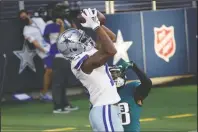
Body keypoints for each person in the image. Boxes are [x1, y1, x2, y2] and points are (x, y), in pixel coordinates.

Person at [56, 8, 124, 131]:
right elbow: (111, 51)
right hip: (104, 108)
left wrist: (97, 24)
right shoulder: (80, 62)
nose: (85, 39)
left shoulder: (86, 55)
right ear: (73, 47)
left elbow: (112, 38)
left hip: (104, 108)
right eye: (81, 39)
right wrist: (95, 26)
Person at [43, 16, 79, 113]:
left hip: (66, 57)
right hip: (57, 57)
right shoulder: (50, 27)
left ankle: (65, 104)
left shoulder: (66, 24)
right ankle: (57, 107)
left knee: (63, 83)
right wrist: (62, 26)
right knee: (58, 84)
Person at [19, 10, 52, 101]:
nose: (24, 18)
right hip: (44, 51)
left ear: (29, 15)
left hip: (53, 46)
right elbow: (36, 44)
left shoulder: (39, 20)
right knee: (49, 70)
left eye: (24, 16)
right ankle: (44, 93)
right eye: (22, 18)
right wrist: (46, 51)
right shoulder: (26, 31)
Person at [109, 61, 152, 132]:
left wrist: (134, 66)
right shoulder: (104, 93)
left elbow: (147, 84)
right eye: (112, 75)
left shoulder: (131, 89)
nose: (115, 77)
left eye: (117, 74)